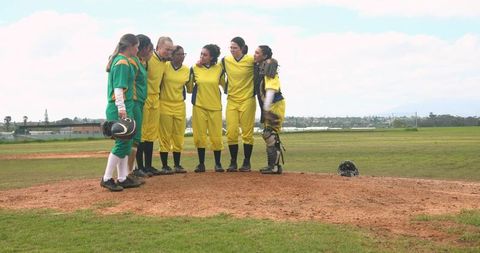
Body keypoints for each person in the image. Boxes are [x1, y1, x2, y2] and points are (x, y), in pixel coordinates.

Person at [100, 33, 142, 191]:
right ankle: (107, 178)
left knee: (127, 142)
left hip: (126, 105)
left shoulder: (121, 60)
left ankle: (123, 177)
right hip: (119, 107)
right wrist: (121, 108)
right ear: (130, 46)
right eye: (137, 47)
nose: (137, 50)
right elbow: (118, 87)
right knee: (122, 143)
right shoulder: (122, 62)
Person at [137, 36, 174, 176]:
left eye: (171, 50)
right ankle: (139, 167)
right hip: (144, 99)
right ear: (158, 47)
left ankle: (149, 166)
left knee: (151, 134)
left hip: (156, 100)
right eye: (167, 49)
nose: (169, 52)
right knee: (141, 133)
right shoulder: (148, 59)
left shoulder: (165, 64)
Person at [222, 37, 256, 172]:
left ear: (242, 48)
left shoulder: (251, 60)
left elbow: (265, 63)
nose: (232, 50)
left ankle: (246, 162)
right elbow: (214, 69)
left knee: (247, 133)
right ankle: (233, 162)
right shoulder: (225, 60)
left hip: (247, 99)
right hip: (232, 100)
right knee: (231, 132)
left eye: (235, 48)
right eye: (231, 47)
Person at [190, 44, 225, 173]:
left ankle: (218, 163)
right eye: (201, 54)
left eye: (205, 55)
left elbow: (224, 86)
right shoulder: (194, 68)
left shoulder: (219, 69)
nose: (202, 56)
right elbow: (189, 87)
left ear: (212, 57)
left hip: (215, 106)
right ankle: (201, 164)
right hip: (199, 106)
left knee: (216, 137)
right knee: (199, 136)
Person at [253, 45, 286, 174]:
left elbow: (271, 89)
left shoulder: (269, 67)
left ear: (265, 56)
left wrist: (266, 108)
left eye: (257, 53)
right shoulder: (261, 66)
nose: (254, 55)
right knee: (270, 134)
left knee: (270, 134)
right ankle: (274, 166)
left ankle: (274, 166)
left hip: (275, 105)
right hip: (269, 105)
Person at [158, 45, 190, 173]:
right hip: (164, 104)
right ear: (172, 55)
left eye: (183, 54)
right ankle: (165, 165)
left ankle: (177, 164)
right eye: (179, 54)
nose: (181, 57)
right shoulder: (165, 66)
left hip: (179, 105)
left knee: (178, 135)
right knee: (165, 135)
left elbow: (189, 88)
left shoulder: (187, 70)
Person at [127, 34, 153, 179]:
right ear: (142, 48)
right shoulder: (133, 62)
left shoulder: (140, 62)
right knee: (133, 139)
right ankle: (128, 173)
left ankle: (130, 171)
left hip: (140, 102)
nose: (150, 51)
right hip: (134, 102)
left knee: (136, 139)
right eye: (148, 48)